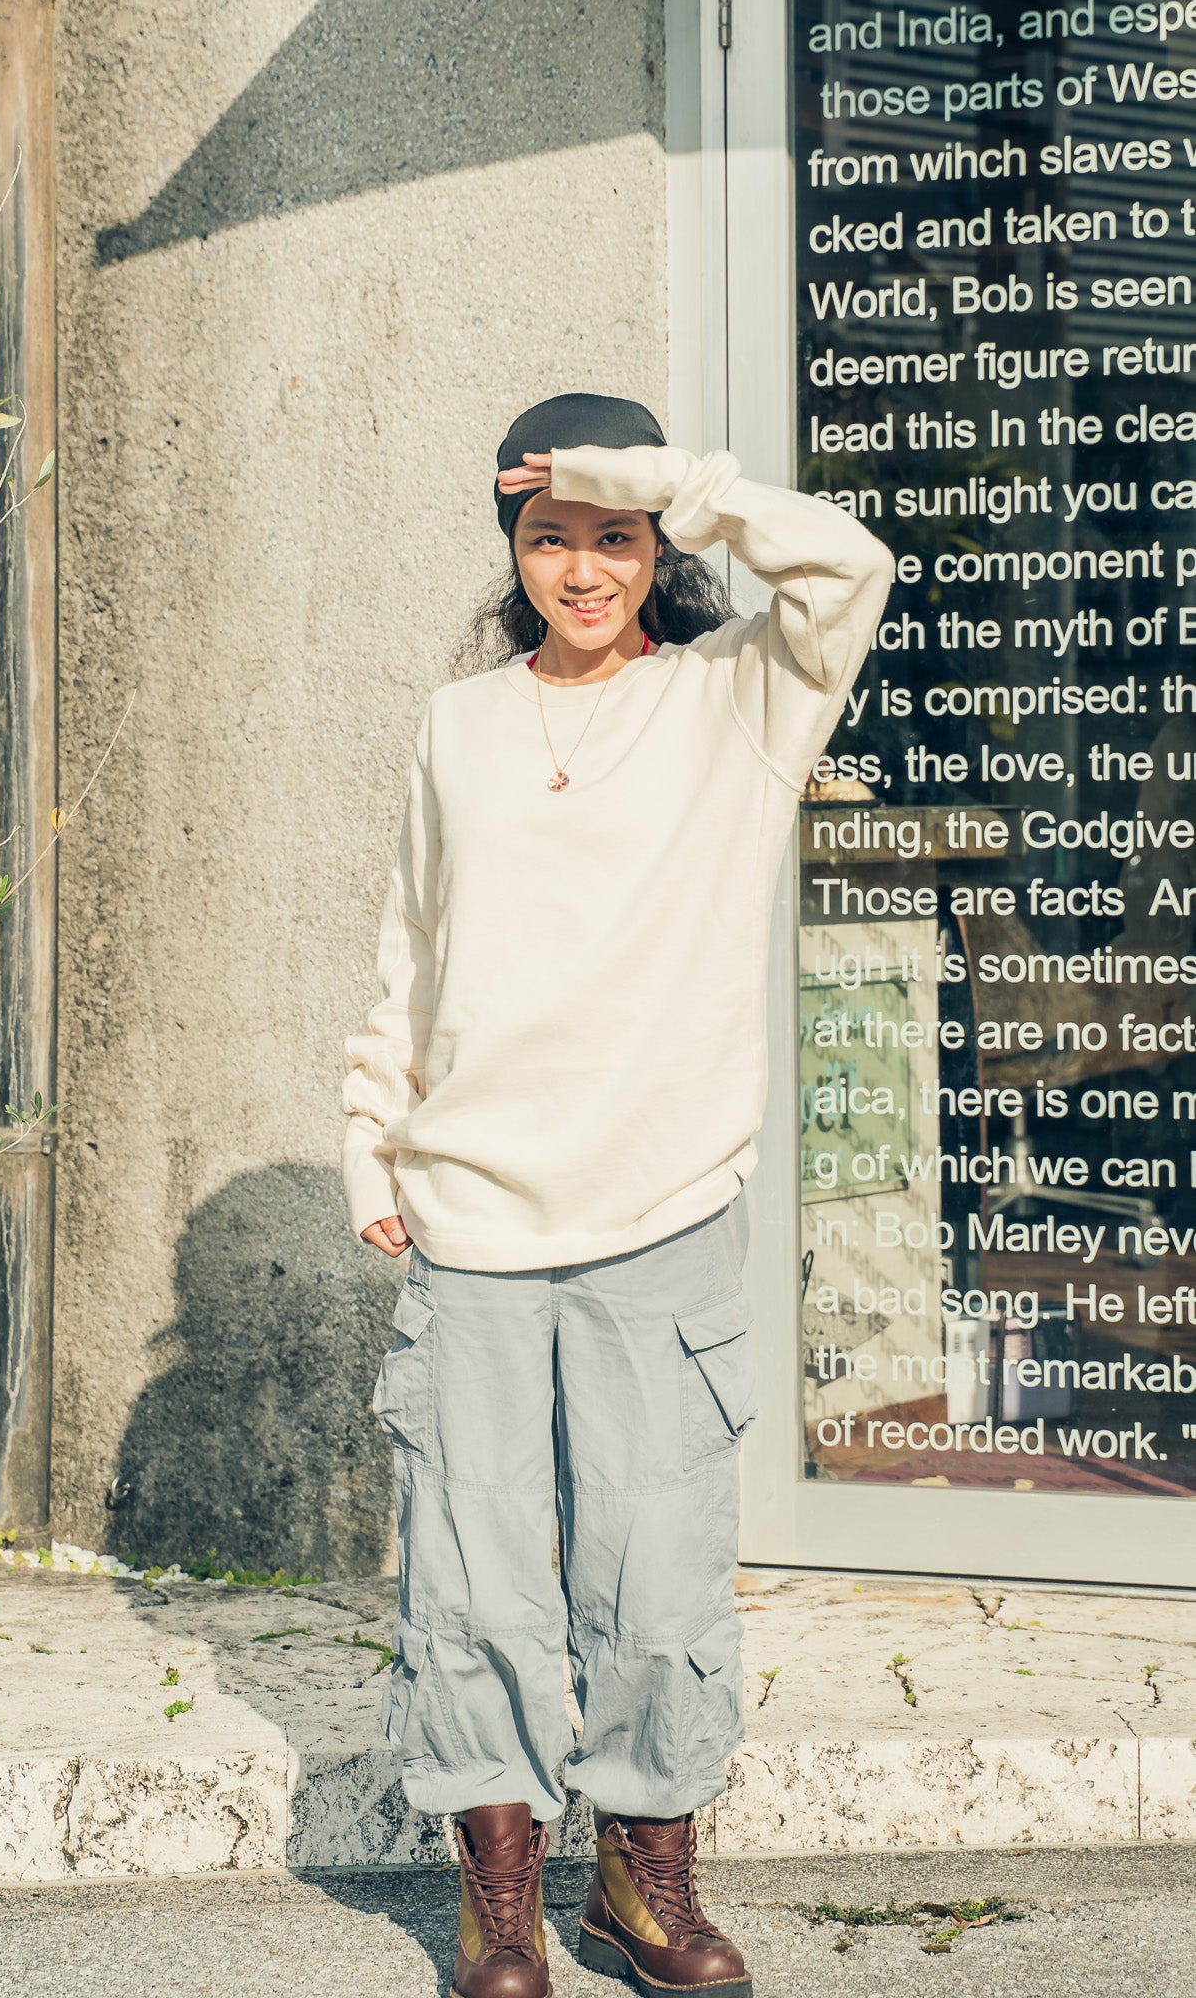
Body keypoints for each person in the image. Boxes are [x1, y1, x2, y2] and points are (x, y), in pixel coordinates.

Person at [342, 392, 893, 1998]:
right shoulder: (460, 721)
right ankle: (500, 1900)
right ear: (510, 554)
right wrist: (374, 1132)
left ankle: (642, 1892)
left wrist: (670, 479)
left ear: (657, 545)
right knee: (473, 1584)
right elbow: (413, 947)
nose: (581, 568)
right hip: (474, 1215)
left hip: (659, 1209)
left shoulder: (737, 697)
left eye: (613, 536)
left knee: (655, 1582)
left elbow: (848, 564)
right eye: (548, 537)